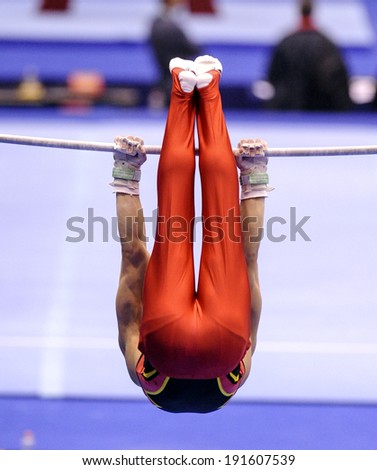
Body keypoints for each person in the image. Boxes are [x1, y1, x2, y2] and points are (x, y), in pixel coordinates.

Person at [111, 55, 270, 413]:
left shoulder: (237, 375)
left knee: (223, 226)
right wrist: (126, 173)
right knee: (173, 221)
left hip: (224, 343)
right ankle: (182, 87)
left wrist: (254, 178)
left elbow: (249, 267)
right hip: (166, 341)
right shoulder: (141, 375)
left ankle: (208, 86)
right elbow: (132, 258)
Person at [266, 0, 352, 111]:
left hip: (291, 107)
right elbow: (339, 80)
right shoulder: (326, 44)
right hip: (319, 109)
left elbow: (273, 76)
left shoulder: (286, 43)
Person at [149, 0, 200, 107]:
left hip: (166, 82)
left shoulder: (156, 24)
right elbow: (193, 49)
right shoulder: (171, 27)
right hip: (175, 84)